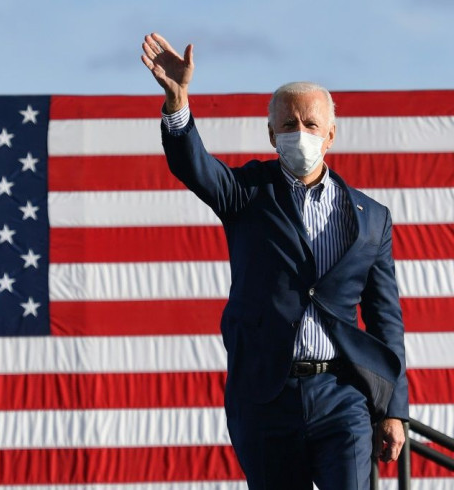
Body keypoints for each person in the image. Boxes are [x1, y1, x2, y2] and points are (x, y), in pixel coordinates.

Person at [141, 32, 408, 489]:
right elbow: (195, 166)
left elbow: (386, 319)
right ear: (271, 134)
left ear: (330, 135)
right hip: (266, 397)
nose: (299, 134)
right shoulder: (247, 192)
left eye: (309, 124)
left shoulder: (372, 219)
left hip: (342, 395)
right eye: (288, 125)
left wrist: (394, 412)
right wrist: (177, 102)